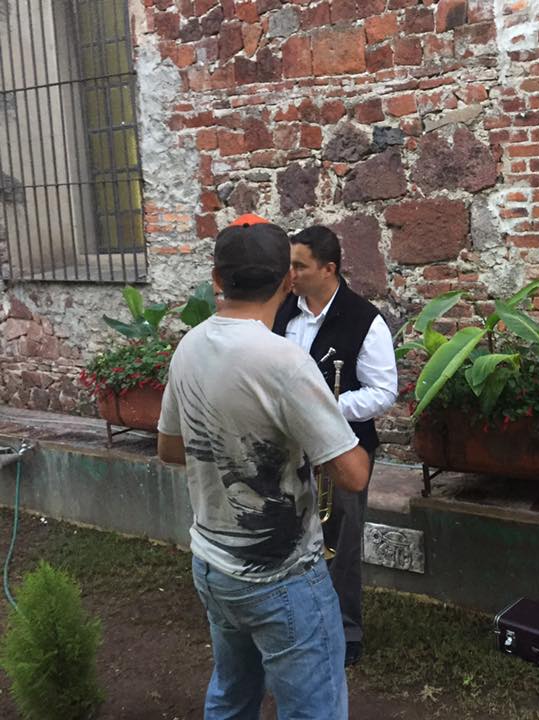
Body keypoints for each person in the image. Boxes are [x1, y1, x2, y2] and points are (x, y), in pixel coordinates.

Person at [157, 214, 370, 719]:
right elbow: (353, 475)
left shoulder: (188, 346)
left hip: (213, 562)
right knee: (312, 710)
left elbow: (169, 450)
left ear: (216, 280)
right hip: (281, 576)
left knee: (231, 696)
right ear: (286, 281)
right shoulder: (286, 362)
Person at [272, 225, 398, 667]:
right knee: (291, 532)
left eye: (299, 265)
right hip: (290, 445)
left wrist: (326, 407)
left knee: (341, 540)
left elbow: (384, 392)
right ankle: (296, 618)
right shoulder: (283, 311)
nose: (291, 273)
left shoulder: (366, 319)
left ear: (328, 269)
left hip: (345, 447)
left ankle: (346, 631)